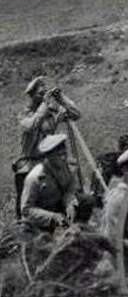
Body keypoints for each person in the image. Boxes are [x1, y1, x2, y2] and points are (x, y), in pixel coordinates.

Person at [13, 76, 81, 218]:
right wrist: (45, 104)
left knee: (57, 198)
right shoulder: (24, 115)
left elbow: (76, 114)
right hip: (30, 162)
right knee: (26, 208)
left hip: (50, 161)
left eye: (45, 93)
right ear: (31, 96)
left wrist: (62, 98)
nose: (44, 96)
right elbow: (32, 125)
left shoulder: (50, 114)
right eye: (40, 94)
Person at [21, 134, 92, 232]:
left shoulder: (65, 168)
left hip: (59, 210)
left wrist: (69, 204)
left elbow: (70, 189)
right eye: (59, 155)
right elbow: (26, 210)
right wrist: (52, 217)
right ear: (48, 157)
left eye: (65, 154)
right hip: (41, 220)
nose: (63, 158)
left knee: (87, 201)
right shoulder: (34, 178)